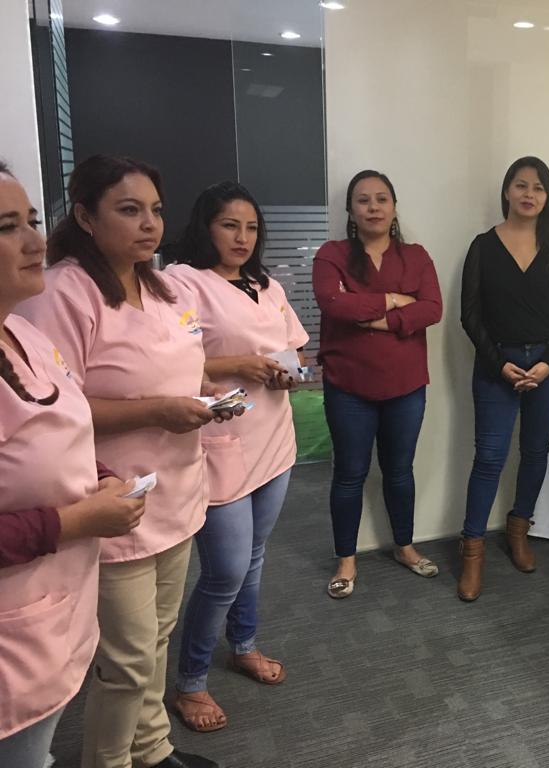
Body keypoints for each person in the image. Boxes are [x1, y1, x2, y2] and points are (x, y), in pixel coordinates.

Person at [21, 155, 226, 768]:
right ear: (86, 216)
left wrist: (201, 394)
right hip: (113, 502)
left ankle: (152, 748)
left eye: (155, 210)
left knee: (156, 638)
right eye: (129, 210)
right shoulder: (64, 293)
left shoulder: (161, 285)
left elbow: (178, 363)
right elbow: (58, 409)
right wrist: (157, 409)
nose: (149, 224)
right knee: (128, 660)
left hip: (176, 489)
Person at [0, 161, 147, 768]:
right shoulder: (62, 298)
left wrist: (99, 478)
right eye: (7, 227)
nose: (36, 241)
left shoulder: (24, 335)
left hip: (54, 612)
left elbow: (62, 428)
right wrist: (76, 521)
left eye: (32, 221)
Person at [164, 181, 309, 732]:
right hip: (221, 442)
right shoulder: (182, 281)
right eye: (229, 225)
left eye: (250, 227)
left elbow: (294, 346)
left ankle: (243, 644)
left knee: (254, 555)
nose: (241, 237)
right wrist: (238, 366)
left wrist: (291, 372)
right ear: (206, 227)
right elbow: (171, 361)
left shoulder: (267, 284)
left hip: (273, 437)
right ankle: (191, 681)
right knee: (224, 570)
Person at [458, 156, 549, 601]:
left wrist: (548, 363)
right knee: (489, 458)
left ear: (547, 197)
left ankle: (519, 530)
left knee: (534, 451)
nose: (529, 194)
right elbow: (470, 315)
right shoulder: (482, 246)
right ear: (507, 191)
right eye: (521, 185)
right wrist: (500, 364)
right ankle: (472, 551)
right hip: (497, 367)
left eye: (538, 187)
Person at [312, 170, 442, 599]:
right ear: (351, 210)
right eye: (363, 200)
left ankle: (404, 546)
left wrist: (377, 319)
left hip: (406, 386)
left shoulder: (416, 257)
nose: (373, 207)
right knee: (350, 474)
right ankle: (346, 559)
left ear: (394, 207)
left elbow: (432, 309)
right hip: (348, 386)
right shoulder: (331, 254)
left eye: (382, 199)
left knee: (400, 471)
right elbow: (333, 302)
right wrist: (394, 300)